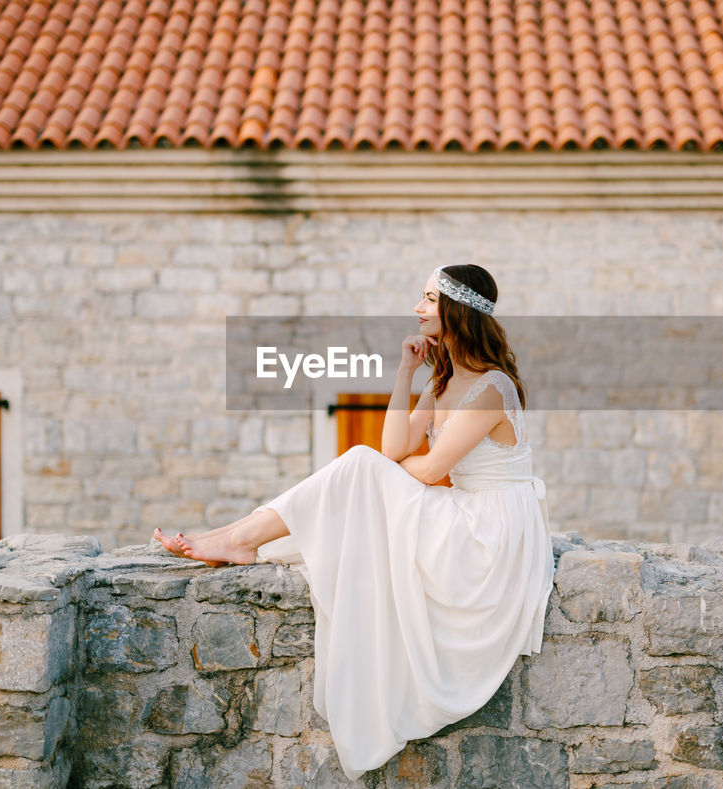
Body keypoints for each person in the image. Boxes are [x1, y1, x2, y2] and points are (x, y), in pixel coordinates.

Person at [154, 264, 554, 780]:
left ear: (456, 310)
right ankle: (234, 537)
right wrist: (404, 374)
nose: (417, 307)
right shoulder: (445, 383)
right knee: (366, 464)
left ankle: (238, 537)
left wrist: (380, 475)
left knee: (362, 467)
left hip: (491, 534)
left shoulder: (494, 387)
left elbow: (428, 468)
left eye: (429, 299)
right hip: (466, 515)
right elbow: (394, 448)